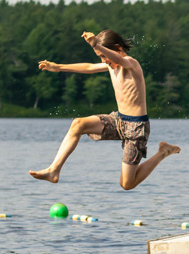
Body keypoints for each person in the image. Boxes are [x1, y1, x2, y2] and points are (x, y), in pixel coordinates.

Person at [29, 30, 180, 189]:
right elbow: (88, 67)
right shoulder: (110, 65)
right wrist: (58, 67)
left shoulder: (131, 63)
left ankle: (163, 152)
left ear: (117, 48)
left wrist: (97, 45)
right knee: (78, 124)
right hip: (118, 120)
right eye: (100, 57)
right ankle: (54, 170)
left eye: (104, 56)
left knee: (127, 184)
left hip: (137, 128)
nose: (104, 61)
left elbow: (118, 59)